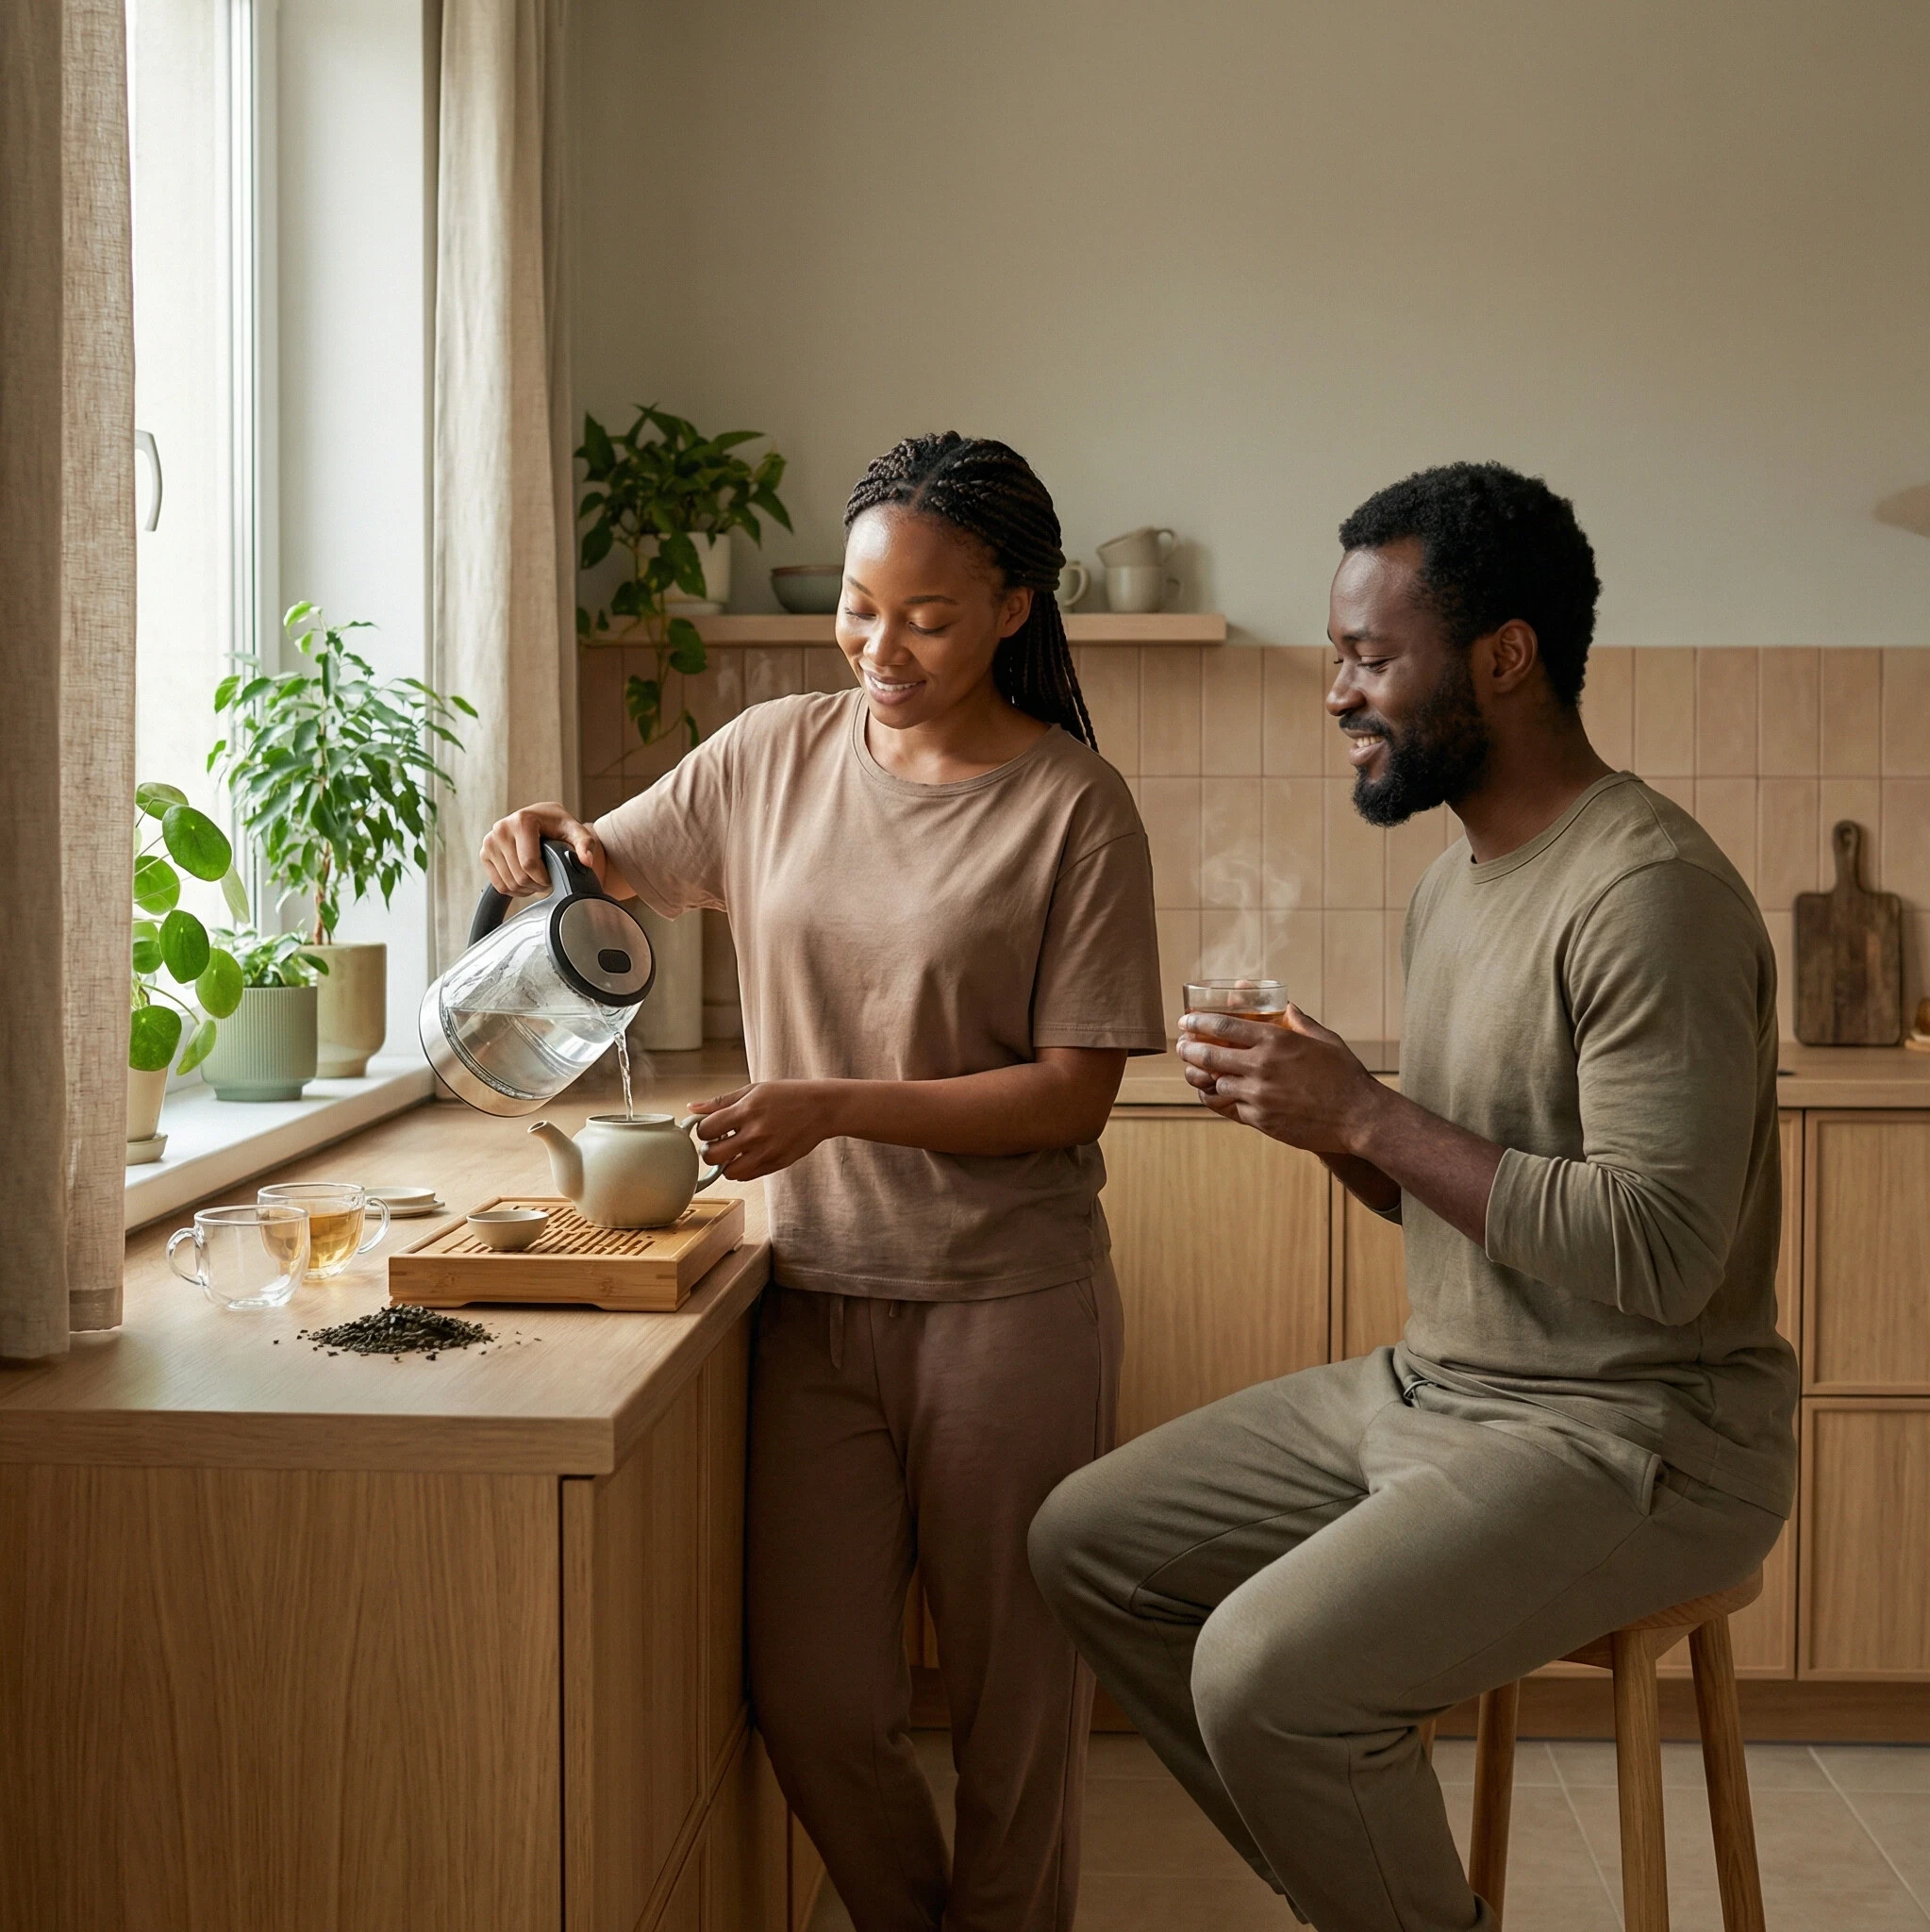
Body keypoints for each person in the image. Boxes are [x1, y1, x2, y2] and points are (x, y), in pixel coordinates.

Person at [1028, 462, 1798, 1932]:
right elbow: (1472, 1206)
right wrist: (1328, 1132)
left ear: (1502, 657)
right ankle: (1366, 1885)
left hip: (1641, 1434)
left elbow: (1661, 1253)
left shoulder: (1646, 895)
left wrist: (1369, 1112)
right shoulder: (1452, 884)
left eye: (1369, 657)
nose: (1336, 693)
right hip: (1440, 1389)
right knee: (1090, 1544)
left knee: (1262, 1670)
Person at [481, 433, 1165, 1932]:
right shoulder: (769, 753)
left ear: (1011, 610)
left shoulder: (1072, 807)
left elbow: (1073, 1091)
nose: (880, 649)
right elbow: (609, 865)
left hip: (1009, 1310)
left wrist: (835, 1107)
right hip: (807, 1305)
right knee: (814, 1704)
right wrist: (544, 838)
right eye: (860, 609)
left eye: (925, 617)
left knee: (1013, 1723)